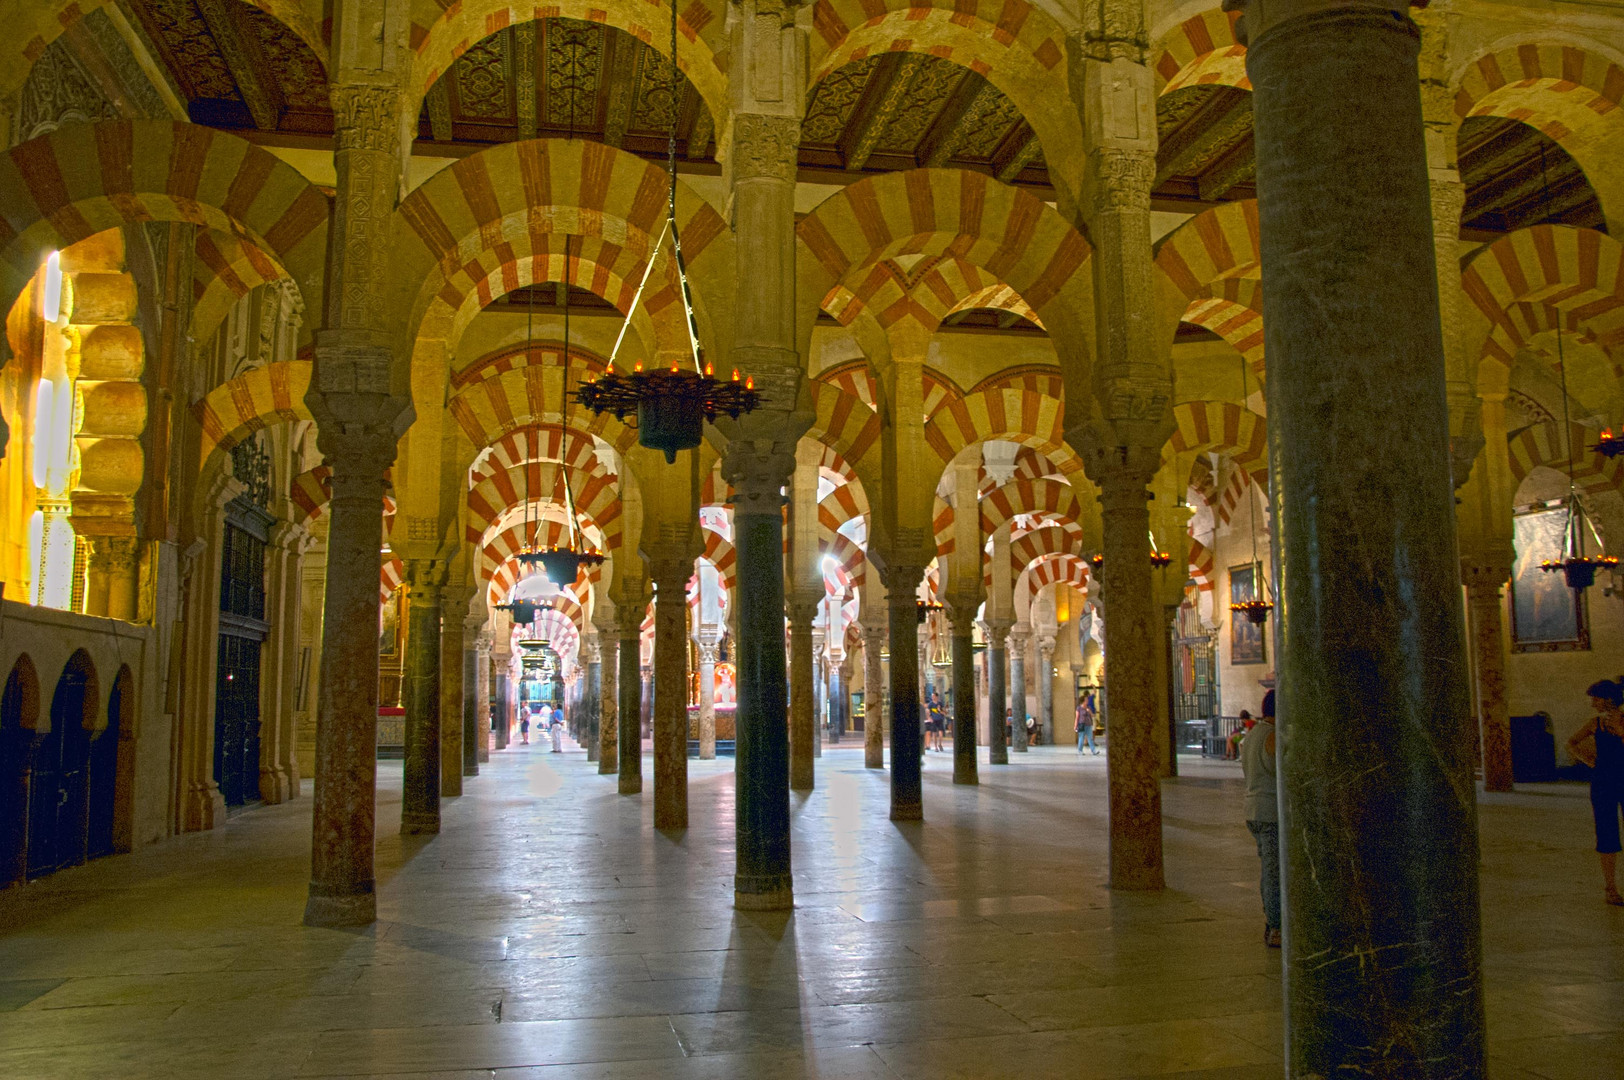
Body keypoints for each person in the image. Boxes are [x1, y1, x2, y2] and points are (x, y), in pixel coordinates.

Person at [1566, 679, 1624, 905]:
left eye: (1595, 699)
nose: (1592, 704)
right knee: (1607, 833)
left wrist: (1620, 732)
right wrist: (1586, 760)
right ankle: (1610, 888)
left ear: (1608, 699)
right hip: (1603, 782)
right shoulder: (1595, 724)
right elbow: (1571, 742)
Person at [1241, 689, 1280, 947]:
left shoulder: (1252, 734)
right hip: (1270, 814)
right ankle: (1276, 926)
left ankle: (1274, 923)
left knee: (1270, 869)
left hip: (1253, 811)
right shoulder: (1272, 736)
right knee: (1274, 872)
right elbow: (1282, 772)